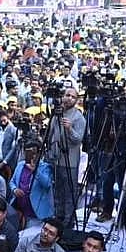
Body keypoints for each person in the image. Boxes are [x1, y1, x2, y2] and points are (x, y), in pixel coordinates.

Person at [47, 86, 86, 224]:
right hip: (55, 159)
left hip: (70, 161)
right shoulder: (57, 113)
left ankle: (68, 221)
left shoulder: (78, 117)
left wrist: (70, 129)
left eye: (73, 96)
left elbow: (78, 139)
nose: (69, 98)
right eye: (67, 95)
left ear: (76, 100)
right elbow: (50, 135)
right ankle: (58, 217)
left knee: (69, 193)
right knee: (57, 191)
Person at [8, 139, 54, 229]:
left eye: (33, 152)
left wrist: (35, 171)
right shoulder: (20, 165)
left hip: (35, 214)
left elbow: (47, 184)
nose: (31, 155)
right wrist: (14, 189)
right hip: (19, 210)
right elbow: (12, 181)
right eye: (27, 152)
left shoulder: (45, 167)